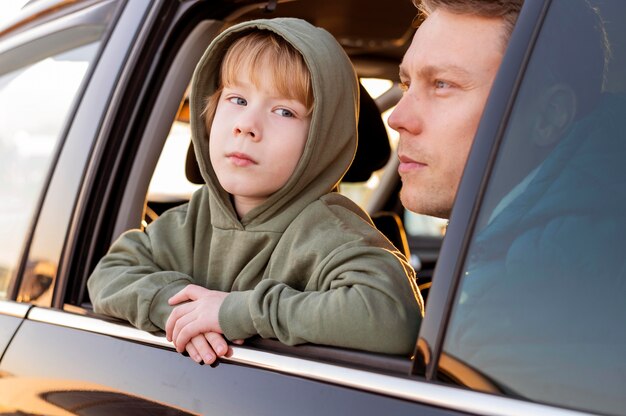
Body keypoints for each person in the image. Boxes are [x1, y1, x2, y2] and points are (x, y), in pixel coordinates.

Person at [88, 17, 423, 365]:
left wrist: (236, 312)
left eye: (284, 111)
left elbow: (394, 317)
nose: (246, 125)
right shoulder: (190, 221)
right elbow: (109, 273)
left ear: (321, 140)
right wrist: (181, 308)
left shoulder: (331, 232)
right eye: (237, 99)